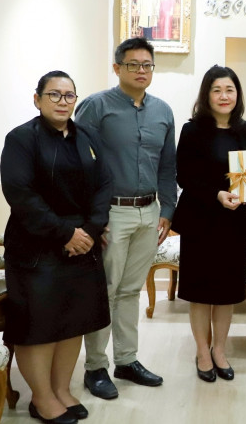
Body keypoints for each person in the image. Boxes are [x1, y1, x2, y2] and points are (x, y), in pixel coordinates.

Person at [0, 71, 112, 424]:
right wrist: (65, 233)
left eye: (69, 95)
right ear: (37, 99)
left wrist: (89, 231)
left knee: (73, 321)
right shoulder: (21, 139)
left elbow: (104, 185)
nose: (63, 102)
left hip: (83, 244)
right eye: (54, 94)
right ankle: (42, 397)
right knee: (39, 326)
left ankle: (61, 389)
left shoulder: (87, 136)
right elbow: (21, 194)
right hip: (36, 246)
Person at [77, 37, 177, 399]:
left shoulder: (163, 111)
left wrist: (167, 209)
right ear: (117, 67)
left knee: (131, 290)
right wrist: (93, 219)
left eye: (147, 65)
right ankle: (95, 366)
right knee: (105, 290)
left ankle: (127, 360)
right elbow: (80, 164)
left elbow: (167, 166)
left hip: (150, 212)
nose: (141, 71)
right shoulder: (96, 107)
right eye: (133, 64)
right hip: (111, 214)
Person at [171, 65, 246, 382]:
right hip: (200, 220)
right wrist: (217, 194)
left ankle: (220, 350)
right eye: (217, 90)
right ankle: (202, 352)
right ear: (206, 95)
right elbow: (184, 176)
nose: (224, 96)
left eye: (229, 90)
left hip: (233, 223)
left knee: (226, 292)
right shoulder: (192, 130)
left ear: (238, 94)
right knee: (200, 292)